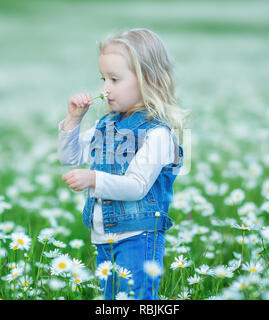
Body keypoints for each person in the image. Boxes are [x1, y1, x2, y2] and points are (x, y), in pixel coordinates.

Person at [57, 28, 186, 300]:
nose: (104, 88)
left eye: (114, 79)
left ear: (146, 81)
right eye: (103, 78)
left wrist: (93, 179)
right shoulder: (106, 124)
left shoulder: (157, 134)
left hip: (138, 237)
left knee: (135, 297)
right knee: (113, 299)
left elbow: (137, 186)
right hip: (104, 236)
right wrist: (73, 121)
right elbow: (70, 157)